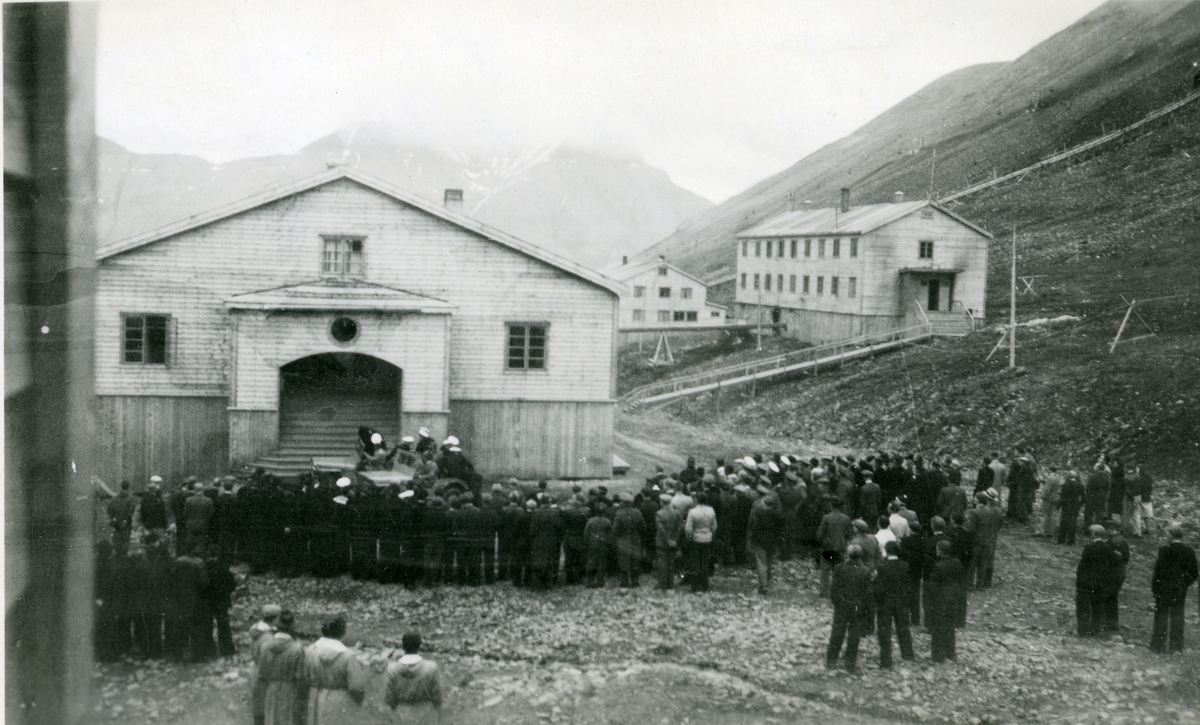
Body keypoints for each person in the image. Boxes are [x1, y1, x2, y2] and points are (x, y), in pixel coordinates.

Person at [305, 616, 367, 725]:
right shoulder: (348, 655)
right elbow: (356, 687)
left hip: (317, 695)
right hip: (340, 699)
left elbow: (306, 675)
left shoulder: (311, 649)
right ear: (342, 632)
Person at [1150, 525, 1199, 654]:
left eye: (1167, 534)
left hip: (1163, 587)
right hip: (1179, 589)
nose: (1166, 536)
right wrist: (1184, 583)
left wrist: (1154, 587)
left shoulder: (1163, 550)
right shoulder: (1189, 551)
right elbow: (1194, 572)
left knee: (1161, 615)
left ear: (1172, 535)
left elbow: (1157, 571)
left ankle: (1158, 646)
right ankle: (1176, 647)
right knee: (1177, 615)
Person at [826, 544, 871, 674]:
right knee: (854, 635)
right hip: (858, 606)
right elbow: (867, 593)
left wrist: (838, 603)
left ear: (848, 554)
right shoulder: (865, 571)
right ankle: (850, 664)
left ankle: (831, 660)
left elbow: (834, 589)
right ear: (861, 555)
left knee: (837, 632)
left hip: (842, 605)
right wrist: (863, 606)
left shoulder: (839, 568)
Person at [257, 609, 307, 725]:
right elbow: (300, 677)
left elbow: (261, 675)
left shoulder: (265, 647)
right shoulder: (297, 649)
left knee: (271, 718)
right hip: (289, 690)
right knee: (288, 719)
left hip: (270, 689)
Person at [386, 631, 444, 725]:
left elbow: (390, 699)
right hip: (425, 714)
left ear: (403, 646)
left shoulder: (392, 669)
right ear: (419, 645)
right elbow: (438, 697)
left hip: (402, 714)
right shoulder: (431, 668)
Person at [875, 541, 915, 669]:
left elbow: (879, 588)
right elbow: (909, 586)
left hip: (885, 602)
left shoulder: (882, 567)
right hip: (901, 602)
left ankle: (886, 661)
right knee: (903, 628)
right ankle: (908, 654)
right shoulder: (905, 566)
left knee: (884, 631)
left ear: (886, 551)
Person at [927, 539, 966, 662]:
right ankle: (950, 652)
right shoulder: (957, 562)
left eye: (937, 549)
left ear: (941, 551)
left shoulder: (938, 566)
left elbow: (934, 586)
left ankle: (938, 655)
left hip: (941, 599)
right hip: (954, 597)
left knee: (938, 628)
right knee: (950, 626)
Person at [1076, 525, 1118, 637]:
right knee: (1097, 606)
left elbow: (1083, 566)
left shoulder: (1089, 547)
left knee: (1083, 606)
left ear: (1094, 534)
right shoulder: (1108, 547)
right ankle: (1095, 629)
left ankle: (1083, 629)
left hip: (1087, 582)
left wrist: (1079, 580)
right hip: (1101, 582)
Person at [249, 604, 281, 725]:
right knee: (267, 709)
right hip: (266, 673)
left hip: (257, 670)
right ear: (276, 618)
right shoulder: (268, 637)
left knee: (259, 709)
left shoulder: (257, 630)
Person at [748, 493, 783, 595]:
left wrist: (752, 540)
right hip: (772, 542)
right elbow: (780, 531)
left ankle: (763, 585)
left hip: (760, 542)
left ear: (764, 503)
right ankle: (767, 580)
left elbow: (754, 527)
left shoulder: (759, 514)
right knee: (769, 561)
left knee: (761, 563)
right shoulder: (777, 516)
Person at [816, 497, 852, 598]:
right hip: (840, 547)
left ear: (830, 505)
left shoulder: (826, 517)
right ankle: (838, 591)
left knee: (825, 570)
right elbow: (849, 534)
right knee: (839, 570)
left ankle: (824, 592)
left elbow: (819, 535)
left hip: (827, 547)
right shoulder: (846, 518)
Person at [684, 493, 717, 593]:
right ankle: (705, 585)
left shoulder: (693, 512)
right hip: (707, 537)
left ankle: (695, 586)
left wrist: (689, 538)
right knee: (705, 561)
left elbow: (688, 528)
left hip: (696, 538)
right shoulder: (711, 510)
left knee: (695, 562)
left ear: (697, 500)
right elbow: (714, 526)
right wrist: (711, 534)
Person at [970, 490, 1003, 589]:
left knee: (974, 561)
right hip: (990, 537)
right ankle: (984, 583)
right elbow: (999, 524)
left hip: (979, 538)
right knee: (986, 562)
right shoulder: (997, 510)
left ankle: (971, 583)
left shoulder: (979, 511)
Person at [613, 495, 646, 588]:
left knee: (623, 560)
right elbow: (643, 527)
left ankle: (624, 582)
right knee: (635, 560)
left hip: (623, 539)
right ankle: (635, 581)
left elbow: (615, 529)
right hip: (635, 539)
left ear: (623, 503)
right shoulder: (638, 512)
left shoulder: (619, 513)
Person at [654, 494, 683, 590]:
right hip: (673, 541)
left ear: (661, 502)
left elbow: (661, 530)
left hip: (662, 542)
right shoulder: (677, 513)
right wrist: (674, 540)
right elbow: (679, 528)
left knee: (662, 563)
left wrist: (667, 540)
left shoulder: (659, 513)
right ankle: (670, 584)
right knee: (671, 563)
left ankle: (662, 584)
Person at [584, 503, 613, 588]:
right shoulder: (607, 521)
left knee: (591, 561)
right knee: (602, 562)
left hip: (592, 543)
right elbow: (610, 534)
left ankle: (589, 581)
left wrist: (586, 542)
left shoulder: (590, 521)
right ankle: (600, 582)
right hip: (603, 544)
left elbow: (586, 533)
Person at [108, 481, 138, 556]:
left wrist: (113, 518)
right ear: (128, 487)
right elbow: (131, 510)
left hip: (116, 522)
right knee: (125, 540)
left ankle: (118, 556)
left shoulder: (115, 498)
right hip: (126, 523)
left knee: (116, 539)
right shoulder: (131, 499)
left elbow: (109, 509)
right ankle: (123, 557)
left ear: (121, 486)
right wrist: (126, 519)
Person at [1058, 468, 1085, 545]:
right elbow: (1083, 497)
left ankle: (1061, 540)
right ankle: (1071, 540)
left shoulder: (1065, 484)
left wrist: (1059, 506)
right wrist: (1080, 505)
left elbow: (1062, 496)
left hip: (1066, 506)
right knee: (1073, 523)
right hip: (1075, 506)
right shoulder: (1080, 485)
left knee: (1063, 522)